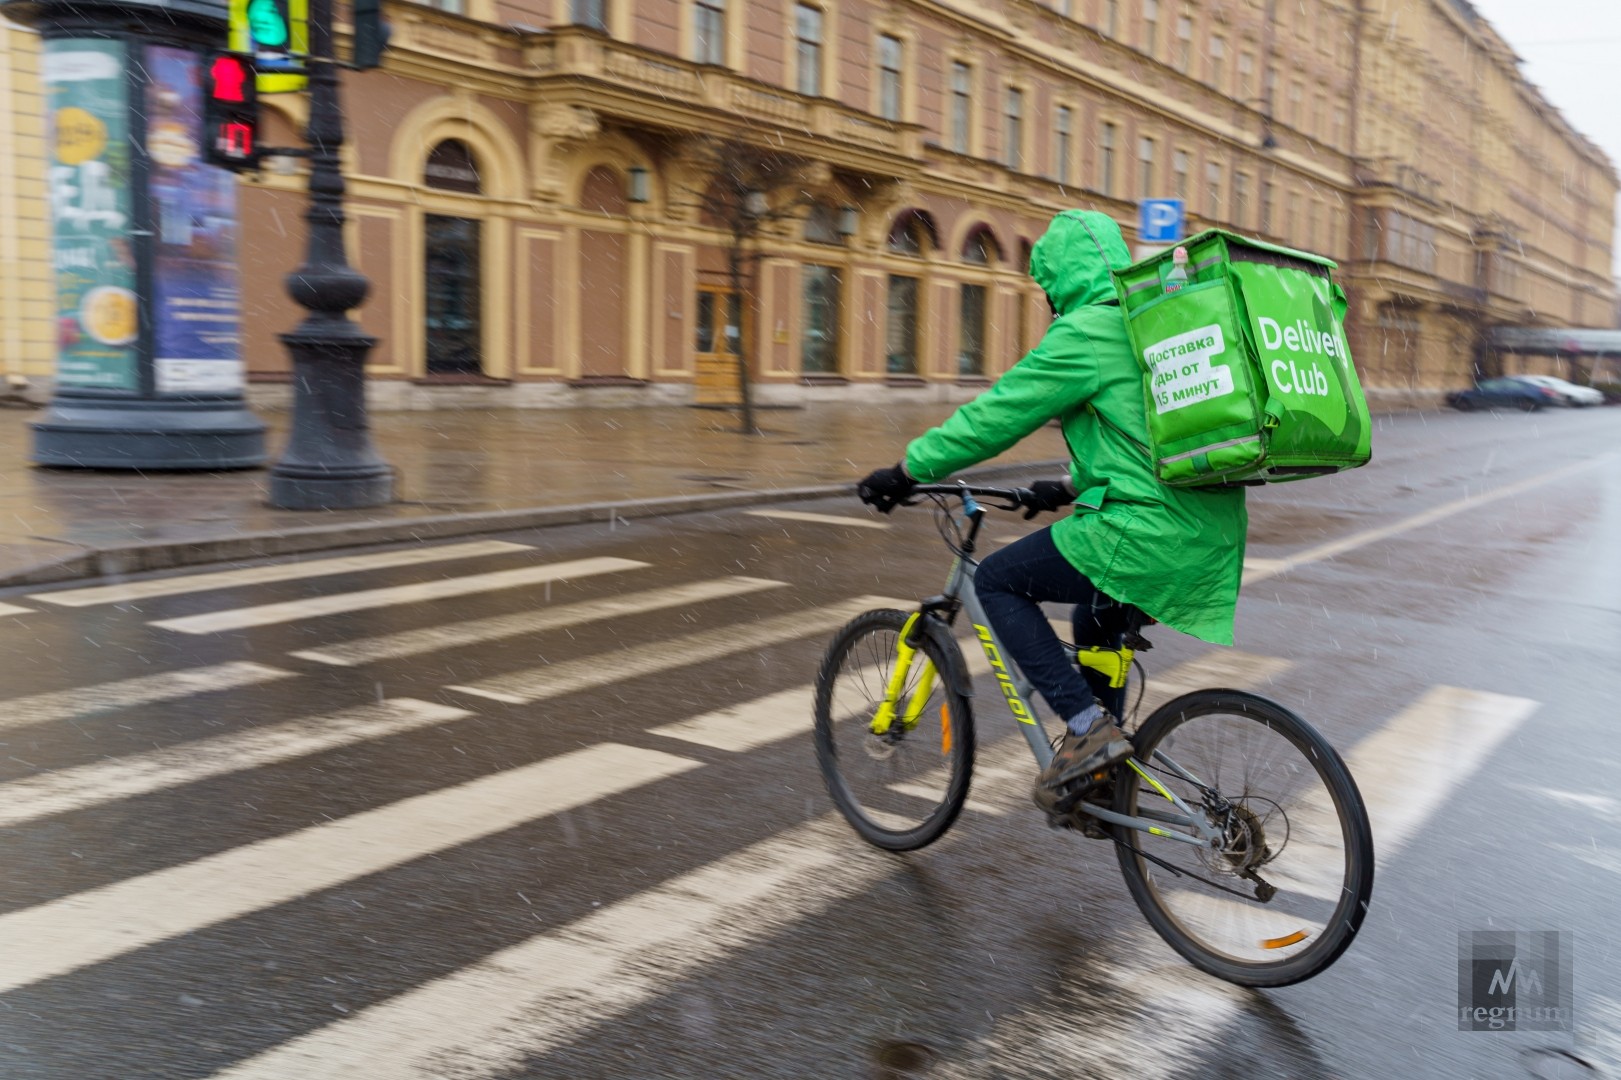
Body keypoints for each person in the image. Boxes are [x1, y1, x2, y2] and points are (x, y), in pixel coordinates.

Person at [857, 210, 1247, 816]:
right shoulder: (1154, 325)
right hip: (1203, 528)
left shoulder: (1089, 331)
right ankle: (1101, 778)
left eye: (1047, 288)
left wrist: (909, 469)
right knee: (1095, 616)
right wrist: (1066, 485)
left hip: (1144, 529)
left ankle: (1090, 729)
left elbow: (998, 415)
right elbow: (1149, 437)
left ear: (1060, 279)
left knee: (997, 580)